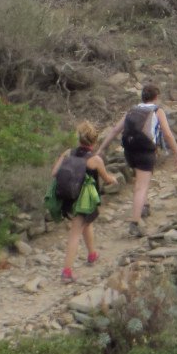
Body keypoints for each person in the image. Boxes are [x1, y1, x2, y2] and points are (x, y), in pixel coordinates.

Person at [100, 84, 177, 238]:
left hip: (130, 151)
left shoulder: (132, 110)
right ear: (156, 97)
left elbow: (115, 130)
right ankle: (135, 222)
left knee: (140, 181)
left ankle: (143, 206)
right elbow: (167, 134)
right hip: (145, 151)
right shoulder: (157, 111)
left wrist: (101, 149)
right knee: (141, 186)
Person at [52, 120, 118, 283]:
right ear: (94, 141)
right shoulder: (95, 160)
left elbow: (54, 173)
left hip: (68, 198)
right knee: (75, 233)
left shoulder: (68, 153)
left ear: (79, 138)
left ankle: (92, 254)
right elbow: (107, 179)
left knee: (86, 224)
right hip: (83, 201)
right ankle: (67, 272)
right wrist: (114, 179)